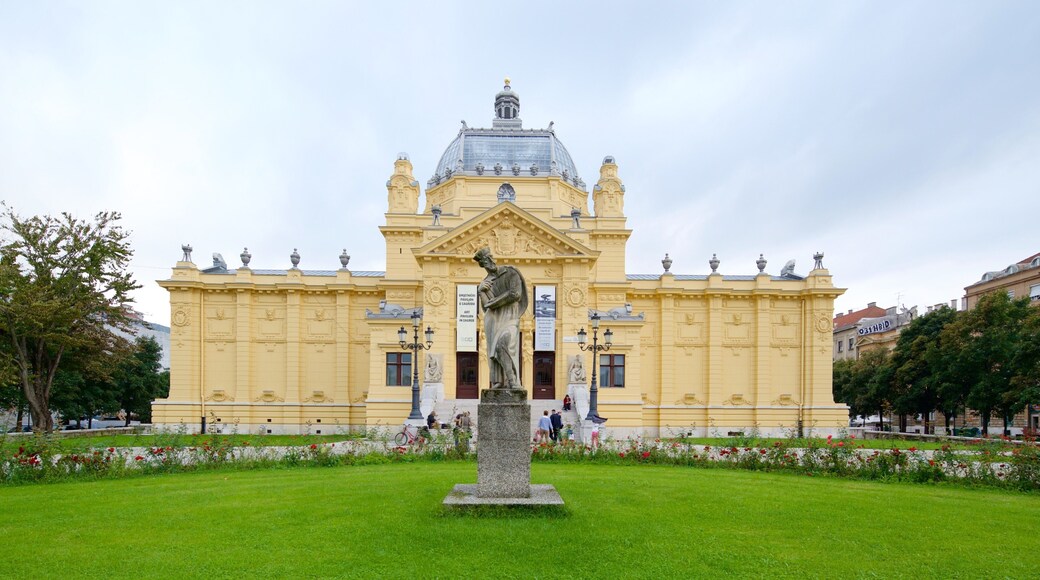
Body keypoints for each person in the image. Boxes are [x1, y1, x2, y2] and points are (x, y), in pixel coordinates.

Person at [473, 247, 528, 389]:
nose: (489, 262)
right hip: (493, 320)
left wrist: (494, 302)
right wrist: (480, 291)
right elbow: (486, 307)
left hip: (510, 319)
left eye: (490, 258)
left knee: (502, 345)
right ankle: (498, 381)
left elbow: (515, 294)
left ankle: (512, 380)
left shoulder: (510, 272)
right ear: (482, 265)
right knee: (493, 352)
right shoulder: (486, 282)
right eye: (485, 261)